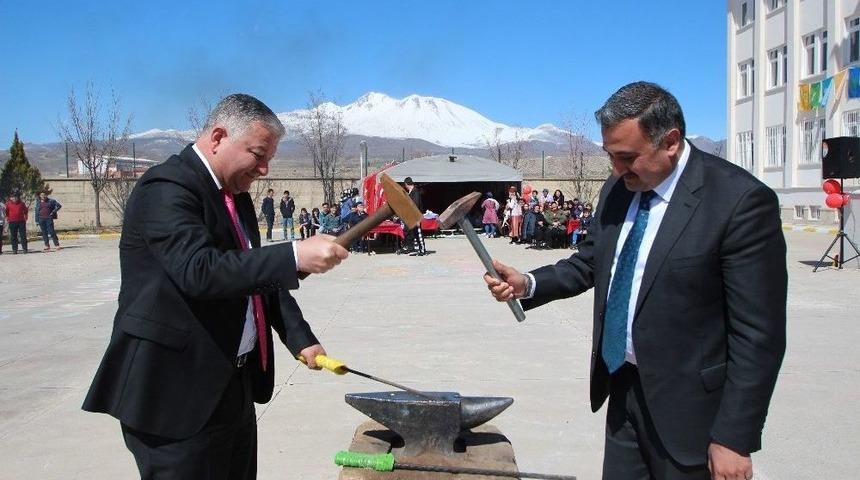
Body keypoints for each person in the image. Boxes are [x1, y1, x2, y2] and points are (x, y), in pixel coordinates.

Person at [484, 82, 786, 480]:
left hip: (693, 415)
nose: (615, 169)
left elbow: (758, 334)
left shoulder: (739, 202)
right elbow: (591, 262)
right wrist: (528, 283)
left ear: (671, 142)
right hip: (623, 392)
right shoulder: (618, 189)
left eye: (626, 157)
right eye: (610, 156)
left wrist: (734, 435)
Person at [82, 94, 350, 479]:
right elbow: (199, 270)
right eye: (258, 155)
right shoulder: (166, 188)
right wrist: (293, 255)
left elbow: (253, 277)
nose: (264, 169)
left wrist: (299, 337)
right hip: (175, 394)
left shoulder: (235, 196)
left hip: (231, 385)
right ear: (219, 137)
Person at [402, 177, 426, 256]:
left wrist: (417, 219)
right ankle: (412, 248)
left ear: (406, 184)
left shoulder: (415, 192)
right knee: (414, 233)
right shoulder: (411, 192)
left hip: (416, 217)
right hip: (412, 217)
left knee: (418, 233)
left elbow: (416, 205)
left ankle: (422, 250)